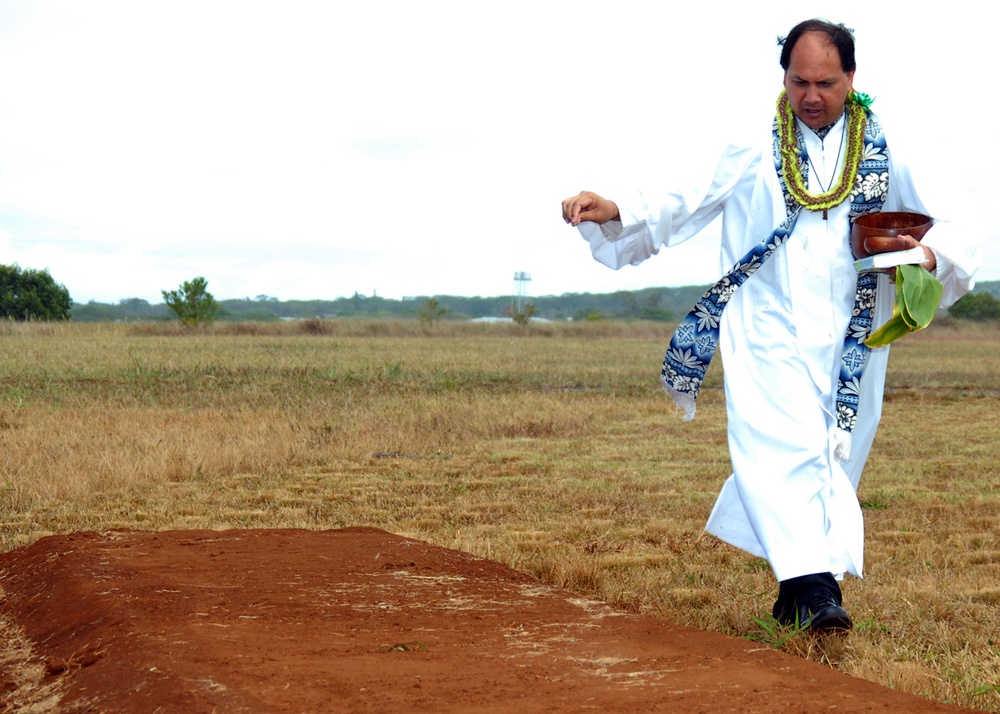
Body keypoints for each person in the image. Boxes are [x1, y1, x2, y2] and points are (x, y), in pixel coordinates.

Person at [561, 19, 978, 632]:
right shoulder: (755, 142)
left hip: (853, 332)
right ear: (784, 78)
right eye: (799, 81)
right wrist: (622, 206)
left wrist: (929, 255)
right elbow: (686, 193)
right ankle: (815, 590)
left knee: (833, 454)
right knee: (784, 446)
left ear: (853, 79)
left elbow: (949, 225)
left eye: (826, 83)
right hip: (766, 322)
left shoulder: (891, 148)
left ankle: (797, 586)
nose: (811, 96)